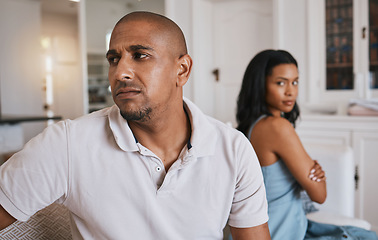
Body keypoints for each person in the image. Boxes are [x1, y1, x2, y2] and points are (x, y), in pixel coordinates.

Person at [0, 12, 270, 239]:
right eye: (114, 59)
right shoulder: (67, 143)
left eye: (140, 55)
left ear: (183, 70)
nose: (120, 73)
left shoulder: (234, 149)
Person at [235, 49, 378, 239]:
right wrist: (312, 174)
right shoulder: (277, 127)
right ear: (260, 85)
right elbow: (319, 195)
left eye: (295, 82)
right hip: (279, 231)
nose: (290, 91)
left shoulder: (252, 127)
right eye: (280, 83)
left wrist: (301, 174)